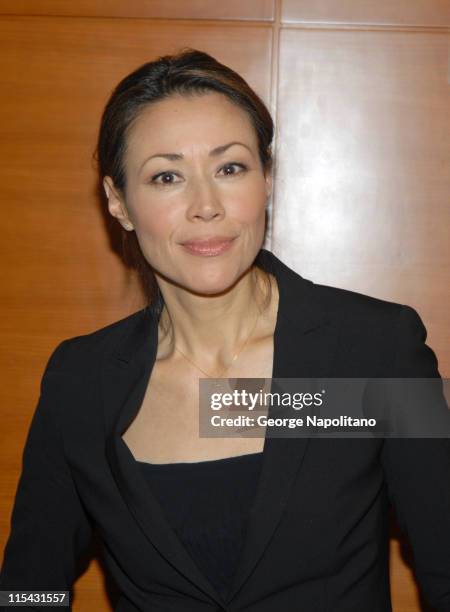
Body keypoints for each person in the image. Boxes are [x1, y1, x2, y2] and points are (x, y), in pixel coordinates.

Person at [0, 48, 449, 612]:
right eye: (166, 176)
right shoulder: (80, 380)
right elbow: (29, 584)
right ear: (119, 202)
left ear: (266, 180)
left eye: (230, 167)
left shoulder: (377, 347)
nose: (205, 205)